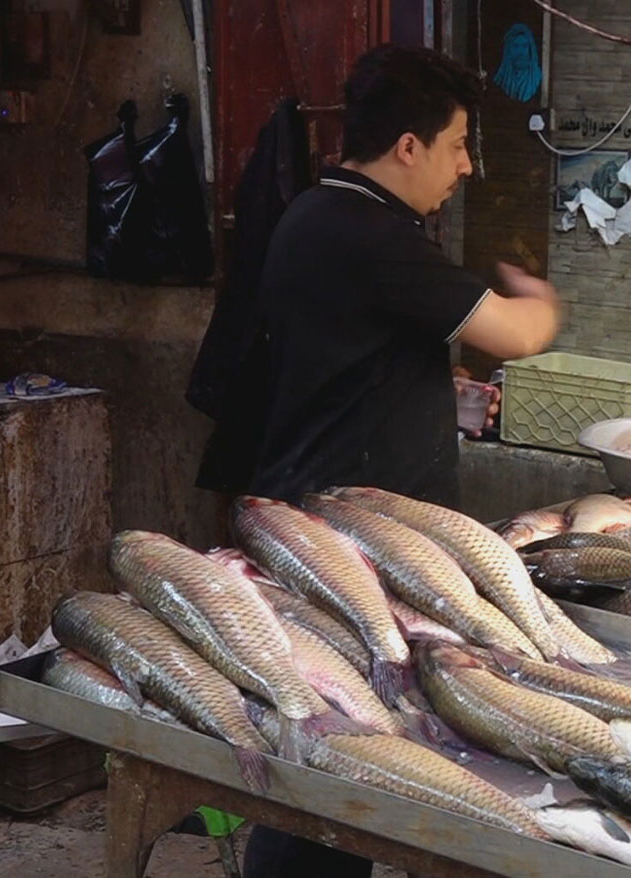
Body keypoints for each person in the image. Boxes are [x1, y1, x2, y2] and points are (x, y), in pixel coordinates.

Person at [239, 45, 561, 878]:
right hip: (347, 546)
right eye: (457, 145)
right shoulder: (370, 232)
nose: (465, 167)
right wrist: (541, 298)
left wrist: (428, 386)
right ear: (407, 147)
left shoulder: (316, 215)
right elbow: (518, 337)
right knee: (341, 739)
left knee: (343, 733)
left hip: (329, 520)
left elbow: (343, 355)